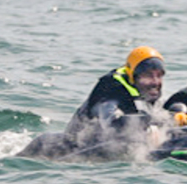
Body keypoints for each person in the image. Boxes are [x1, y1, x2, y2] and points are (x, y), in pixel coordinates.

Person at [18, 46, 170, 159]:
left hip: (109, 148)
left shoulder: (147, 93)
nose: (155, 82)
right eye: (148, 76)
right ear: (132, 75)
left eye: (159, 76)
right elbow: (110, 123)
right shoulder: (111, 89)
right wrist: (155, 120)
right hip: (61, 150)